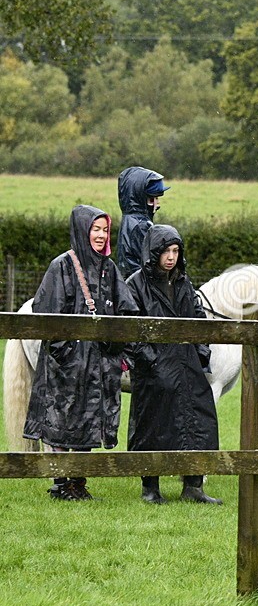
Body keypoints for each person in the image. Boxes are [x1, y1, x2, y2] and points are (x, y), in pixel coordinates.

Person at [24, 205, 136, 500]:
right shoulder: (61, 266)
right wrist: (66, 353)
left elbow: (126, 309)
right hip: (68, 364)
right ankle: (62, 483)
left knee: (89, 419)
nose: (100, 236)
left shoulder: (109, 268)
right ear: (82, 231)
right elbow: (45, 312)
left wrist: (118, 349)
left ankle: (78, 482)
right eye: (95, 229)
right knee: (62, 418)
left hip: (98, 362)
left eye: (104, 230)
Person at [125, 224, 222, 504]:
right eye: (166, 251)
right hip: (154, 369)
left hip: (188, 364)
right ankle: (150, 488)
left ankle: (193, 486)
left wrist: (201, 353)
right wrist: (152, 362)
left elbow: (199, 319)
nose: (171, 257)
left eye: (176, 251)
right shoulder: (136, 285)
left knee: (199, 422)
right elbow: (130, 329)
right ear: (154, 252)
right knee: (153, 425)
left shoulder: (183, 282)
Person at [116, 166, 168, 278]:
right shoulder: (141, 225)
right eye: (152, 199)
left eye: (157, 199)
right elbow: (149, 261)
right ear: (140, 198)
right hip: (140, 287)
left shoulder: (129, 220)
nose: (157, 205)